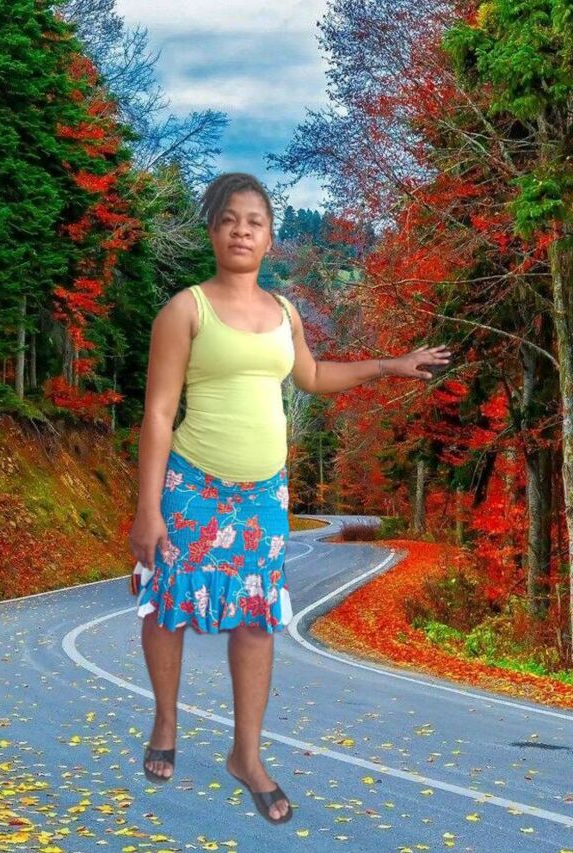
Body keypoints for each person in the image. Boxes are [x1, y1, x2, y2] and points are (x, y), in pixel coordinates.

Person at [129, 172, 451, 824]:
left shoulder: (285, 313)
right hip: (192, 486)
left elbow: (313, 375)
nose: (241, 230)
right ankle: (165, 721)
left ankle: (246, 755)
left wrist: (389, 365)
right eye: (229, 219)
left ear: (271, 238)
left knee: (256, 619)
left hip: (263, 496)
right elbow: (159, 413)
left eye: (254, 221)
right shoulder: (185, 310)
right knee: (169, 605)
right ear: (212, 231)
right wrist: (148, 507)